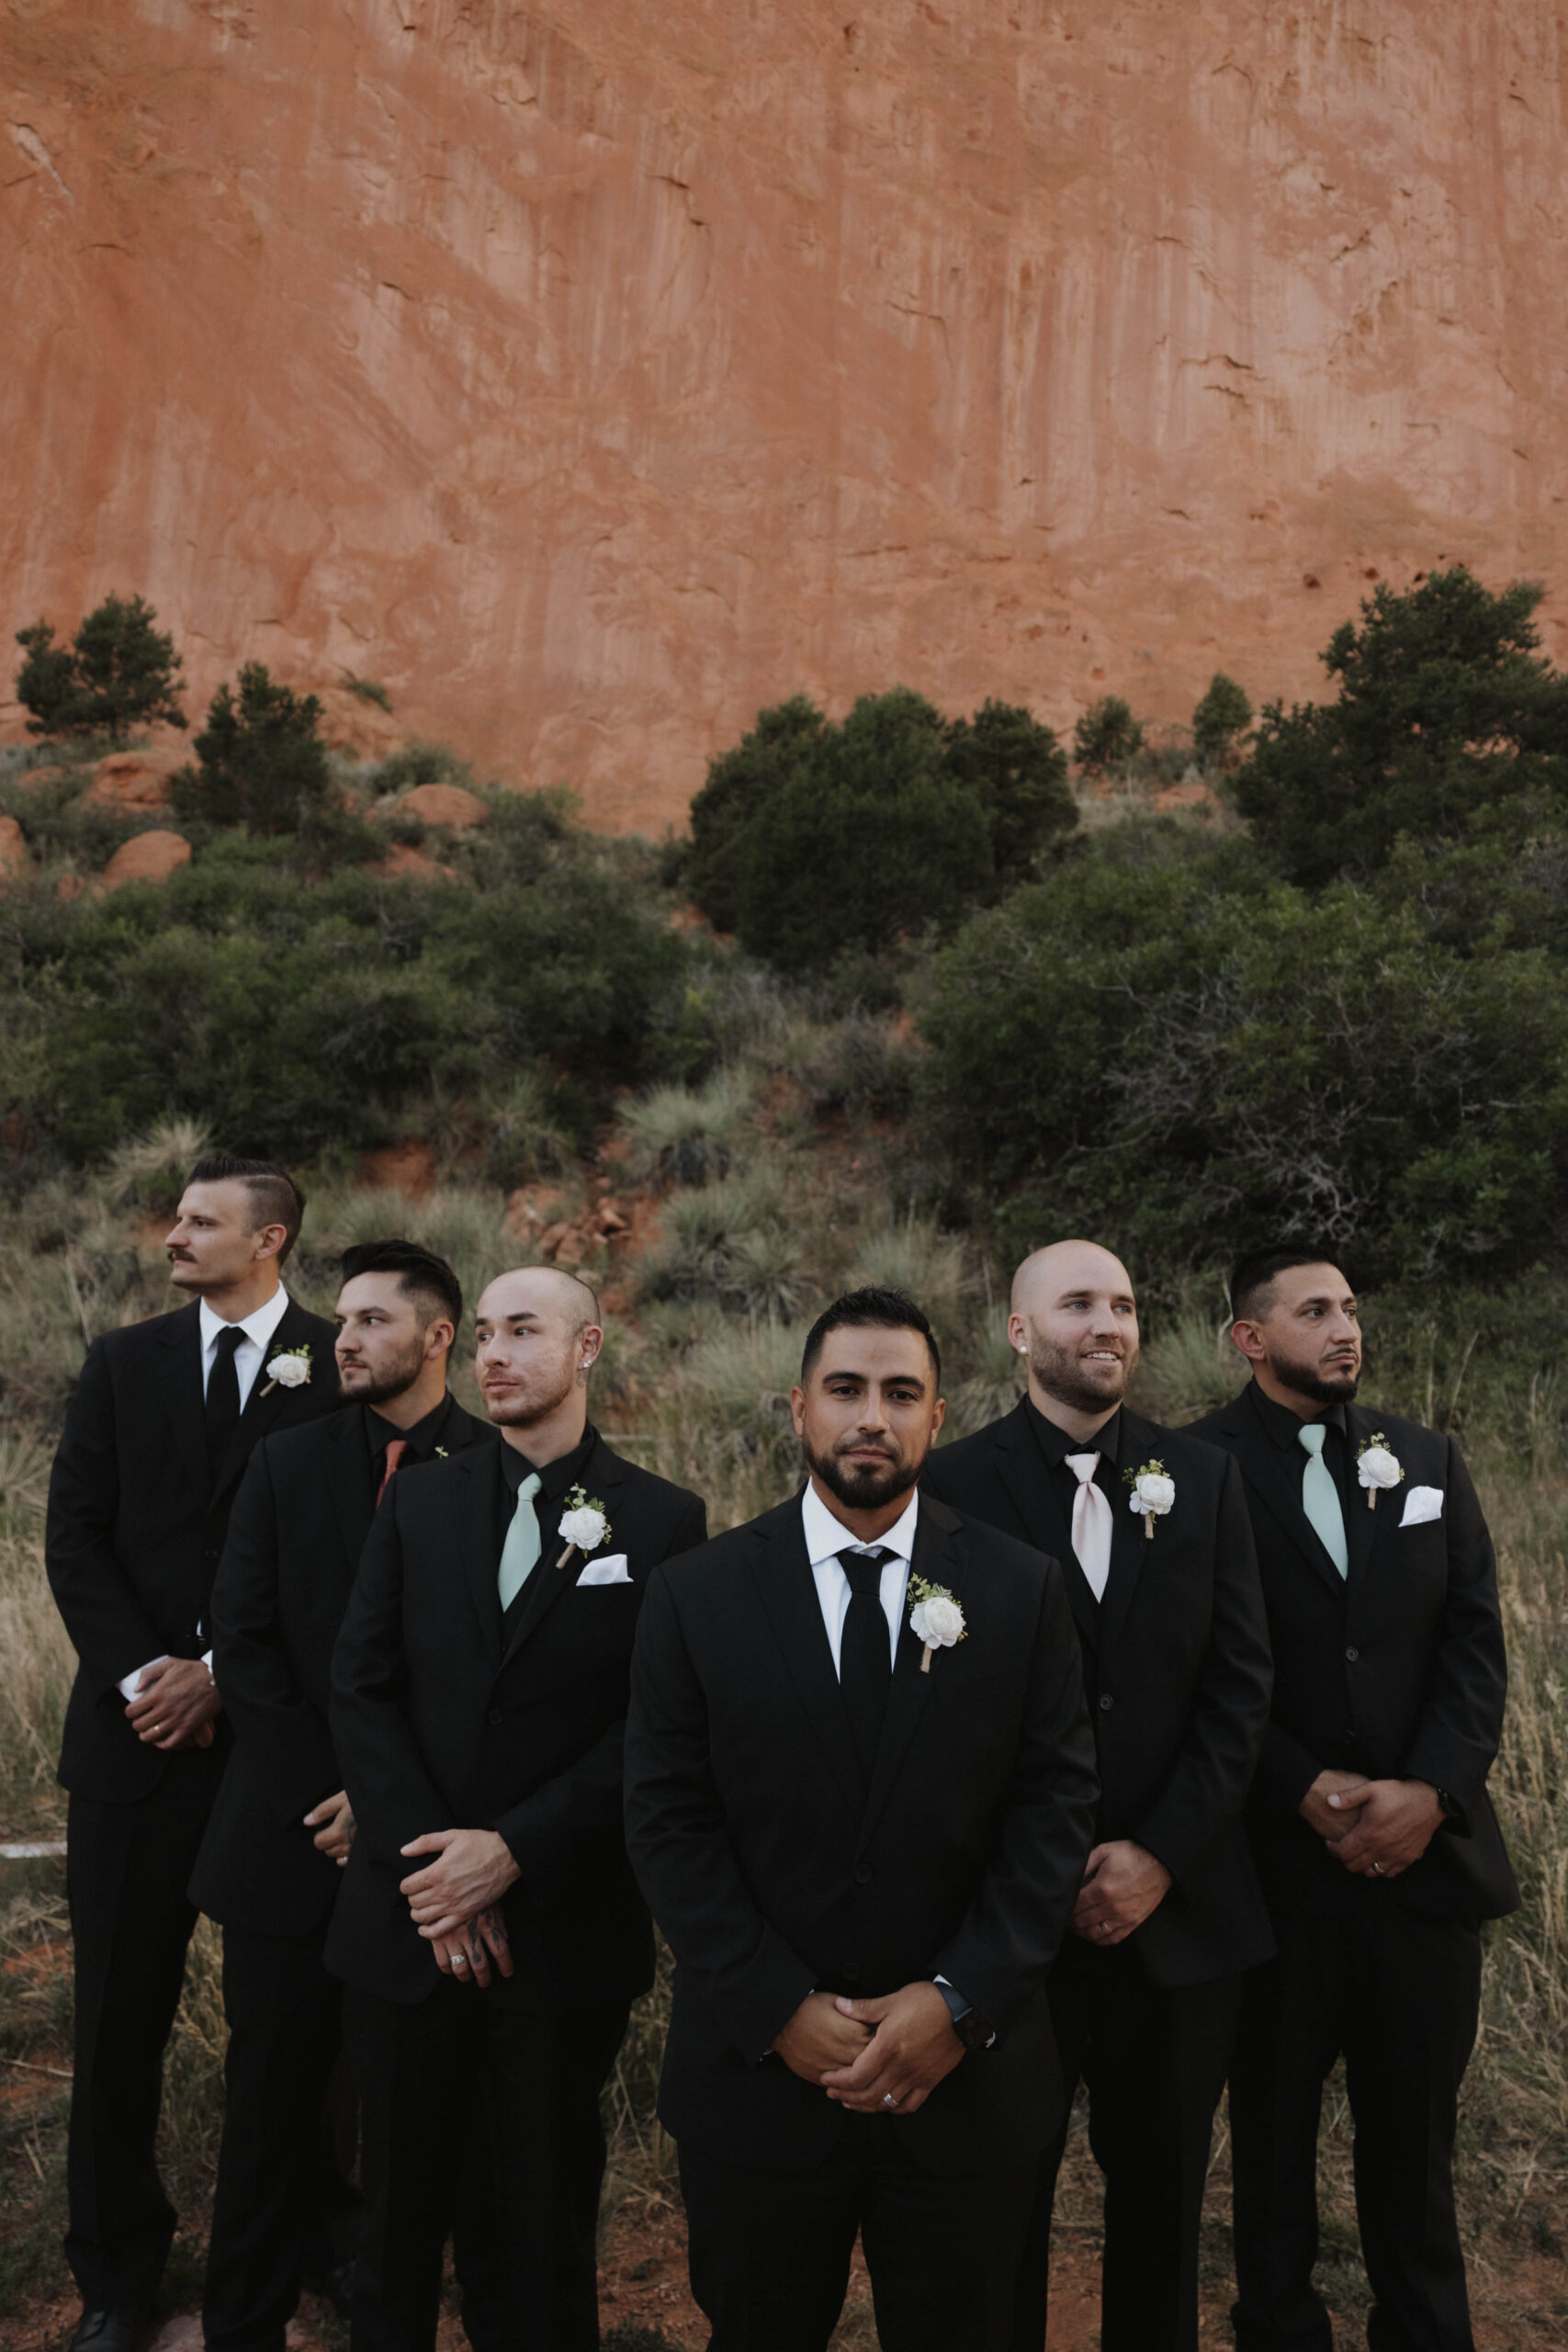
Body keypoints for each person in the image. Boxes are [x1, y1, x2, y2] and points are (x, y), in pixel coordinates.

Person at [625, 1285, 1100, 2352]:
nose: (871, 1417)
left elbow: (1054, 1808)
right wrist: (776, 2005)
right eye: (846, 1390)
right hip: (759, 2082)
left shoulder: (1020, 1589)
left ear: (939, 1417)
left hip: (965, 2083)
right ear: (799, 1409)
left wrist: (955, 1999)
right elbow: (665, 1819)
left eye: (900, 1392)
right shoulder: (695, 1593)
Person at [328, 1263, 707, 2352]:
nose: (492, 1353)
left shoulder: (664, 1520)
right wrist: (438, 1878)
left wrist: (513, 1853)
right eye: (484, 1332)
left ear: (587, 1348)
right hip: (407, 1929)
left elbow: (652, 1723)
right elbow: (362, 1682)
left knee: (539, 2227)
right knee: (392, 2227)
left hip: (559, 1930)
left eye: (523, 1330)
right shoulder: (422, 1499)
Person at [921, 1239, 1274, 2352]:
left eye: (1124, 1303)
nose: (1108, 1323)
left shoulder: (1204, 1477)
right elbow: (941, 1712)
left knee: (1164, 2199)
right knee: (1000, 2200)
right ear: (1020, 1331)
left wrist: (1158, 1854)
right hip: (1012, 1923)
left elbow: (1239, 1683)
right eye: (1078, 1303)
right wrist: (1045, 1870)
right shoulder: (954, 1482)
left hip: (1178, 1915)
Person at [1190, 1247, 1519, 2352]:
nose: (1345, 1328)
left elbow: (1476, 1644)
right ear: (1249, 1337)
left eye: (1352, 1309)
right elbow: (1191, 1662)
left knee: (1415, 2152)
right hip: (1278, 1879)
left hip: (1426, 1873)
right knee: (1272, 2151)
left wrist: (1428, 1789)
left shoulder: (1424, 1456)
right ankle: (1279, 2330)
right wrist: (1297, 1786)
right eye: (1315, 1310)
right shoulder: (1195, 1466)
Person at [45, 1154, 339, 2352]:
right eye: (177, 1218)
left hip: (274, 1751)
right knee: (119, 2014)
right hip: (131, 1744)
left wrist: (225, 1671)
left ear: (268, 1241)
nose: (174, 1235)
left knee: (297, 2023)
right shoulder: (123, 1362)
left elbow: (342, 1556)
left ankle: (316, 2239)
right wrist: (146, 1679)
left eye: (202, 1220)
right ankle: (116, 2275)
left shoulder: (335, 1360)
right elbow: (74, 1537)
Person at [191, 1238, 501, 2352]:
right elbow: (245, 1639)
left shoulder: (492, 1466)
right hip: (287, 1839)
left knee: (408, 2120)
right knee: (268, 2107)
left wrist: (386, 1799)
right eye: (343, 1319)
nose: (345, 1339)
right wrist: (330, 1785)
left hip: (416, 1859)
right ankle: (242, 2325)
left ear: (438, 1335)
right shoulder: (287, 1460)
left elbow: (483, 1675)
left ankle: (386, 2310)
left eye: (372, 1320)